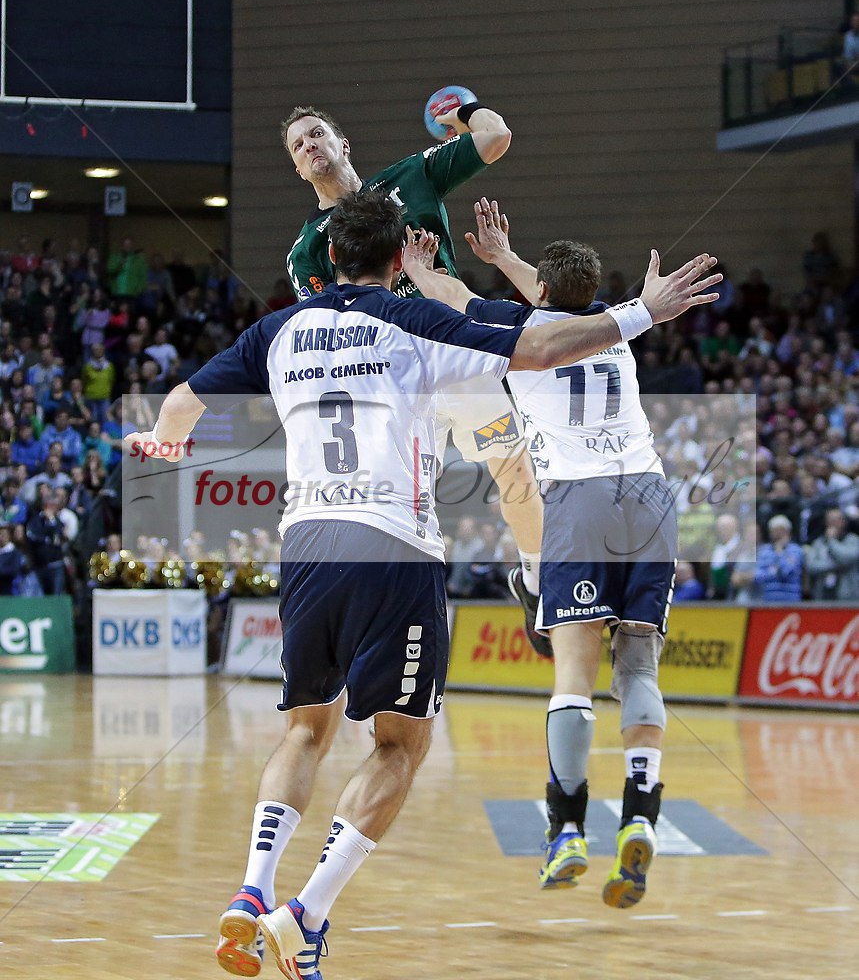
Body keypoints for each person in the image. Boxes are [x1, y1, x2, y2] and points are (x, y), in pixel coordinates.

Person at [126, 191, 719, 978]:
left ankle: (251, 888)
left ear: (329, 258)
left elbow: (180, 404)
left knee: (303, 731)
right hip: (398, 545)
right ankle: (305, 913)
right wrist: (642, 312)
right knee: (401, 744)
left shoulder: (276, 330)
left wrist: (163, 445)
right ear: (392, 262)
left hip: (305, 543)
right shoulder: (413, 322)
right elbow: (541, 343)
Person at [401, 204, 721, 910]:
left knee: (572, 675)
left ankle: (567, 829)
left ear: (540, 291)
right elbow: (560, 298)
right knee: (637, 667)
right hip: (647, 495)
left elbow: (458, 297)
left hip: (578, 501)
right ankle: (640, 814)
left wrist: (423, 269)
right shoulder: (613, 327)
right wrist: (507, 258)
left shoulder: (523, 332)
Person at [280, 101, 547, 646]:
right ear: (299, 169)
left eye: (316, 134)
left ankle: (538, 582)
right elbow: (334, 325)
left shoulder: (411, 176)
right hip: (393, 380)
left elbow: (496, 137)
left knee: (515, 472)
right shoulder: (307, 251)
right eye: (298, 146)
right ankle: (394, 621)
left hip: (456, 354)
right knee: (404, 506)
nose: (309, 146)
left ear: (341, 144)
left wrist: (463, 111)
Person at [804, 507, 859, 600]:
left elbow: (846, 558)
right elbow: (811, 565)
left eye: (836, 519)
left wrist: (831, 540)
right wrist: (837, 565)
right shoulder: (819, 543)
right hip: (822, 594)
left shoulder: (853, 540)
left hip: (848, 597)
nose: (833, 523)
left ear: (844, 521)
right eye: (830, 520)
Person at [754, 514, 803, 602]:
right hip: (768, 601)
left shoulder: (796, 550)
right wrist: (773, 572)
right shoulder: (764, 551)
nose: (778, 533)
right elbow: (758, 576)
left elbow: (786, 571)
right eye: (775, 530)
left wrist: (779, 552)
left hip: (791, 601)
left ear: (788, 532)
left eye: (781, 530)